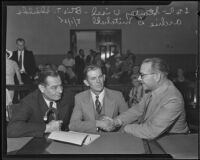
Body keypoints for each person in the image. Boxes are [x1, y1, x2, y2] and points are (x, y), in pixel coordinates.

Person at [106, 58, 189, 139]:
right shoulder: (151, 90)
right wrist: (116, 121)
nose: (139, 79)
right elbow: (137, 110)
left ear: (156, 77)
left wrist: (125, 128)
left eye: (142, 75)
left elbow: (151, 131)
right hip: (155, 138)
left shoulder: (173, 99)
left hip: (173, 142)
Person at [7, 68, 75, 137]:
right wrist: (46, 128)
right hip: (38, 144)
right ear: (42, 88)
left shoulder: (68, 96)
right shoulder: (29, 101)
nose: (60, 91)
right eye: (54, 87)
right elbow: (12, 129)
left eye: (61, 85)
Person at [69, 64, 128, 133]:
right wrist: (98, 123)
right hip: (90, 139)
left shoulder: (117, 95)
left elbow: (128, 118)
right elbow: (73, 125)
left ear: (104, 77)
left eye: (100, 77)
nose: (98, 81)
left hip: (112, 138)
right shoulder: (80, 98)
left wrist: (116, 126)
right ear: (86, 82)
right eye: (93, 78)